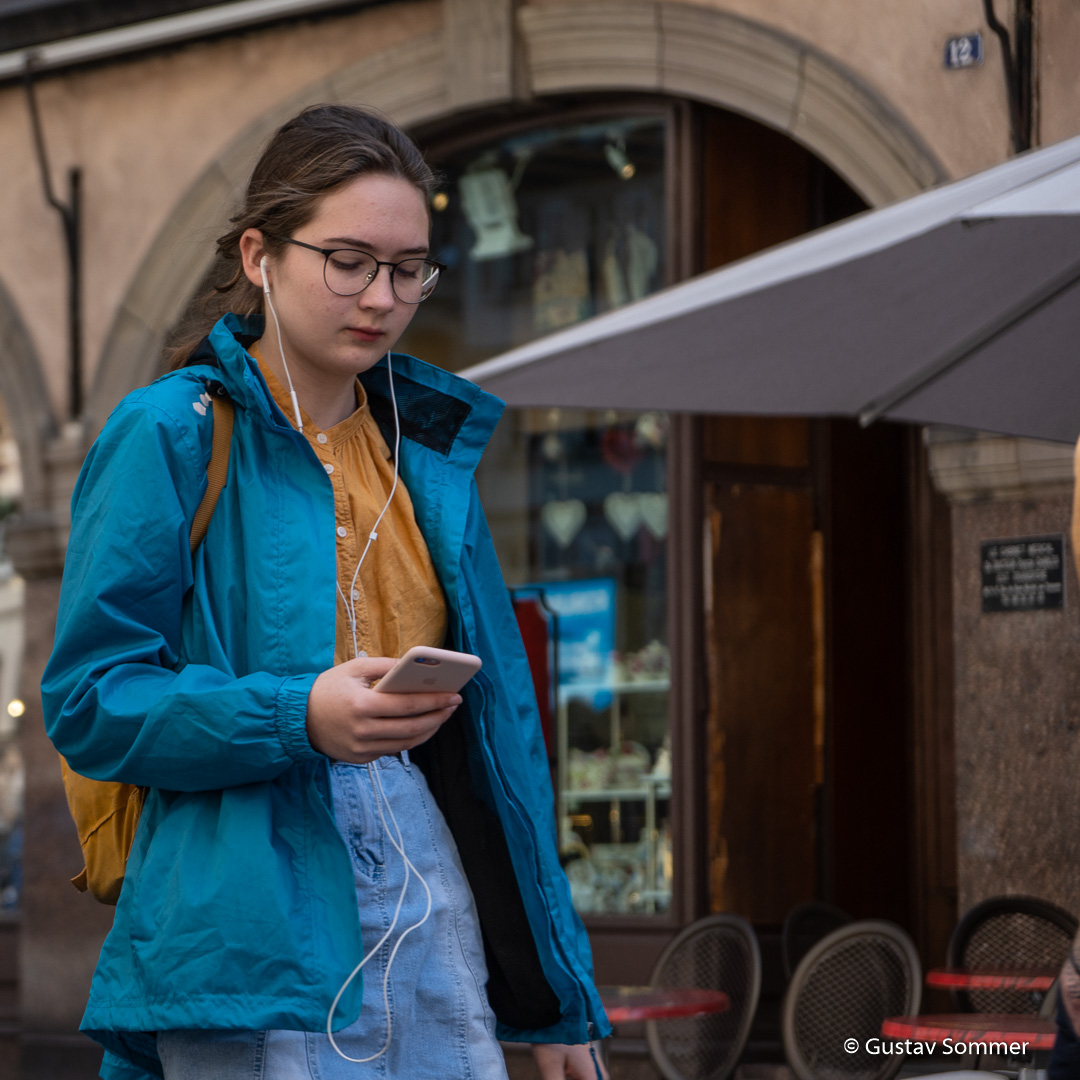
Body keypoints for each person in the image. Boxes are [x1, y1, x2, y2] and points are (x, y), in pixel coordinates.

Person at [42, 103, 610, 1080]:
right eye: (347, 260)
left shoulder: (425, 456)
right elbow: (89, 700)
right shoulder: (169, 433)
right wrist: (297, 713)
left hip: (426, 890)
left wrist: (561, 999)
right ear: (261, 254)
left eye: (408, 269)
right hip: (244, 898)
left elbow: (504, 740)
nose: (381, 296)